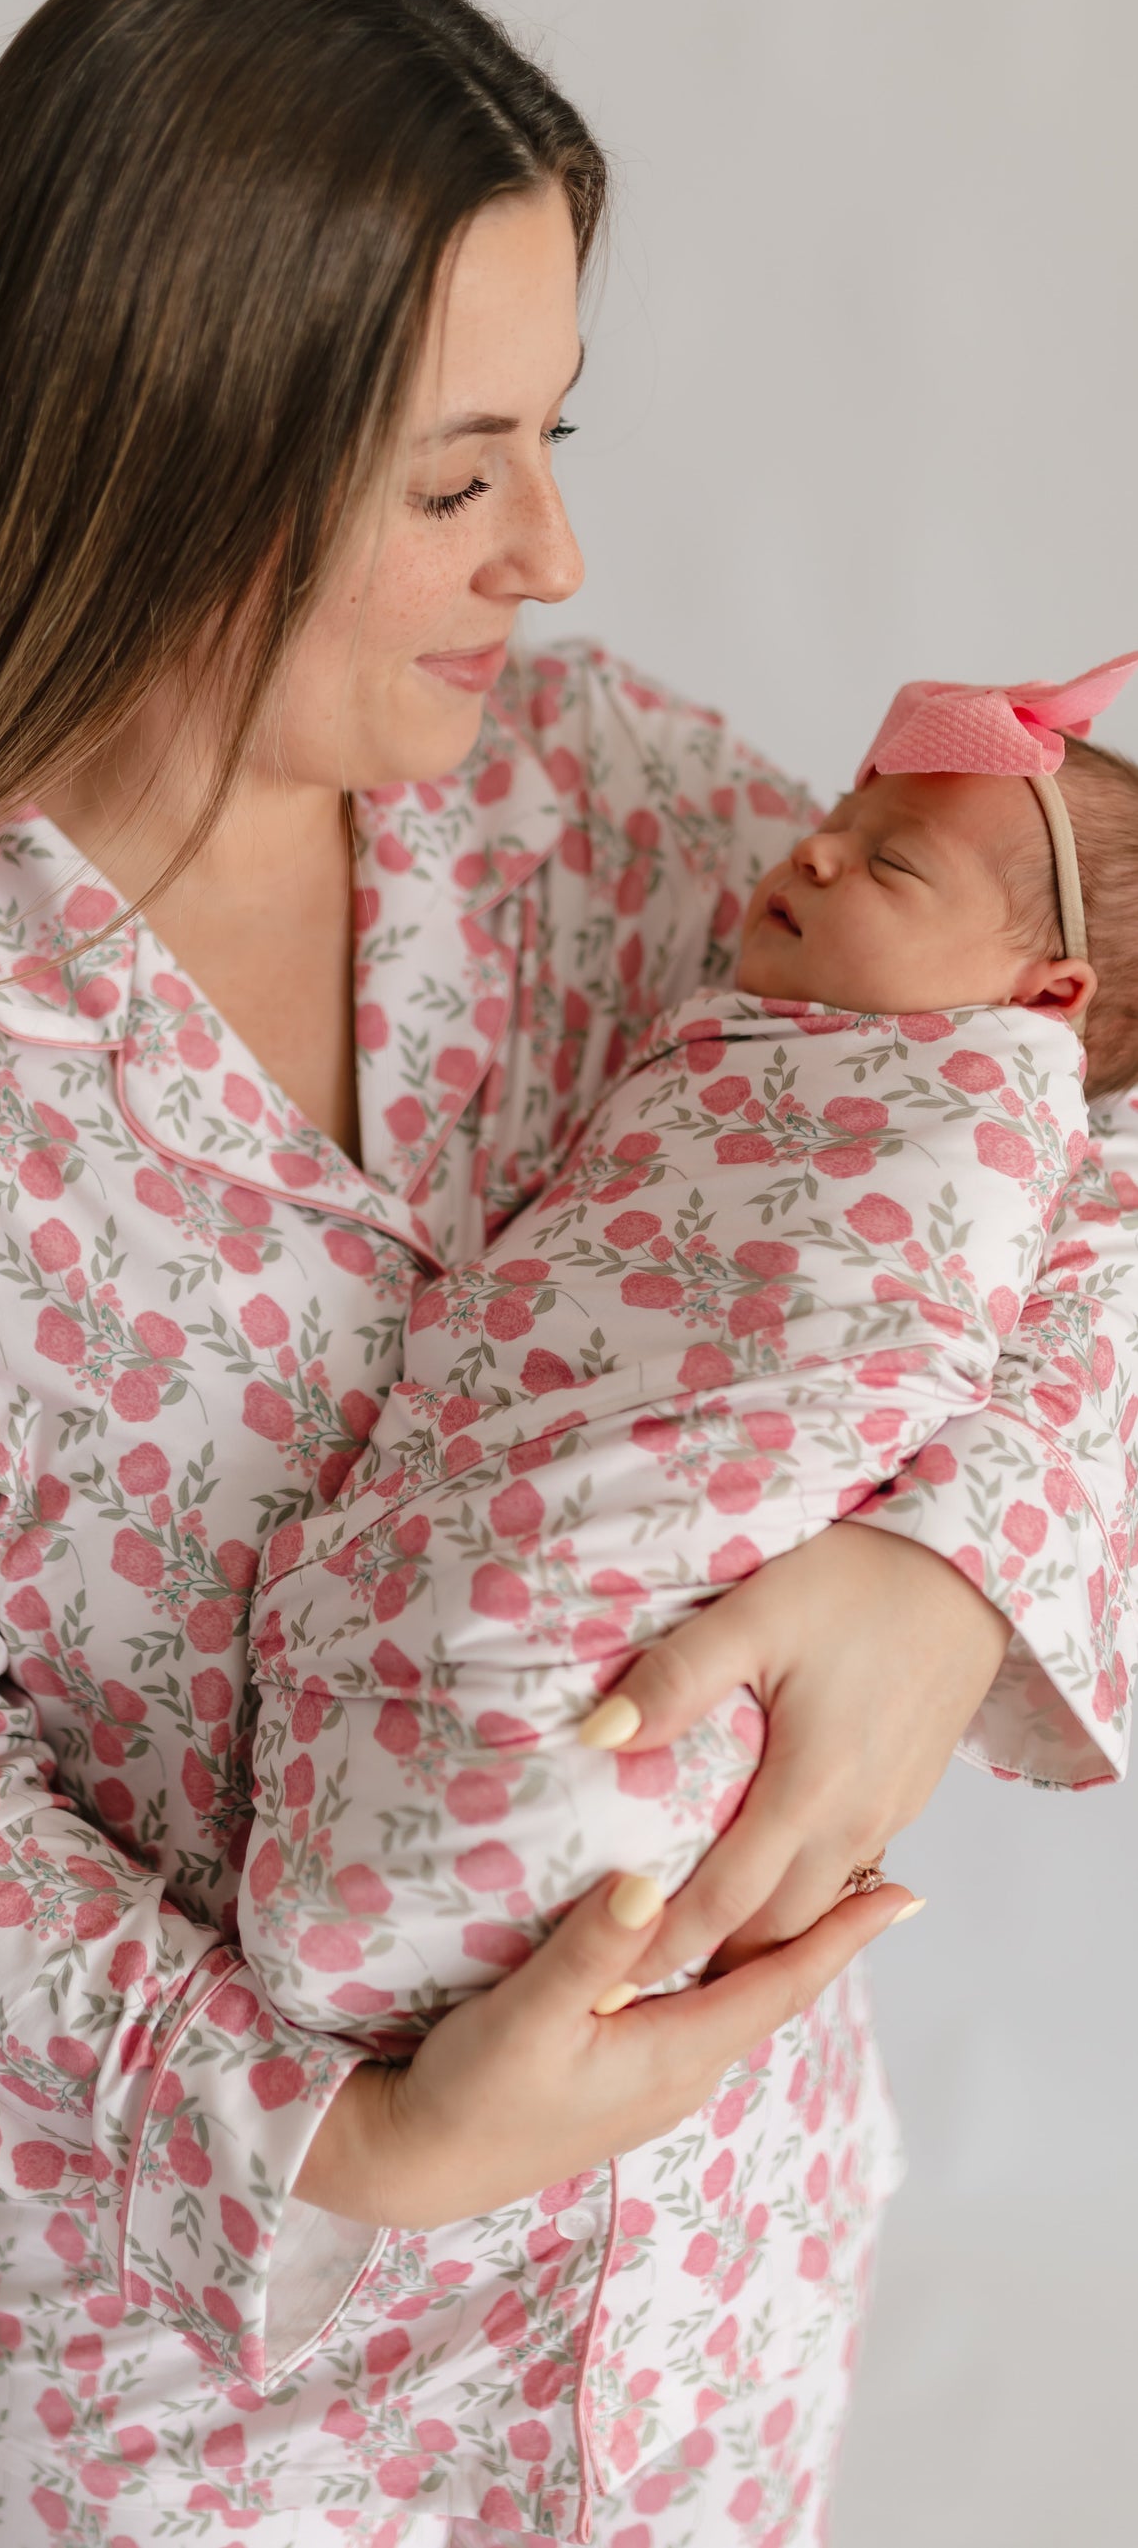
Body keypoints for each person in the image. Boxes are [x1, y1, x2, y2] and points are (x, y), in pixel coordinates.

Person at [0, 0, 1132, 2543]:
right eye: (460, 476)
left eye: (550, 441)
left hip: (708, 2301)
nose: (553, 554)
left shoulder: (619, 813)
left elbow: (1053, 1138)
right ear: (167, 458)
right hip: (198, 2406)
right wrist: (350, 2134)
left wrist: (949, 1569)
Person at [241, 662, 1138, 2043]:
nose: (817, 845)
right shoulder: (752, 1013)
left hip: (731, 2161)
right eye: (845, 813)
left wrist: (945, 1560)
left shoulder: (978, 1107)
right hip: (208, 2131)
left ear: (1043, 995)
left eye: (888, 858)